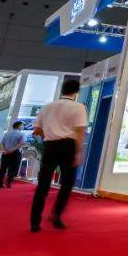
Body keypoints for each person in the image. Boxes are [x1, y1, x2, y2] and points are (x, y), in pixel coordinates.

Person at [29, 78, 87, 232]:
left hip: (50, 146)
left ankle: (34, 221)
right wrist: (78, 152)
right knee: (67, 183)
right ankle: (56, 214)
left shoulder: (47, 107)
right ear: (76, 92)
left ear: (62, 90)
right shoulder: (79, 107)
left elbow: (37, 130)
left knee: (43, 184)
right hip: (68, 146)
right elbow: (80, 131)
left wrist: (48, 137)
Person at [0, 121, 25, 188]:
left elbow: (2, 143)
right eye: (22, 125)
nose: (23, 127)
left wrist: (3, 150)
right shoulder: (21, 134)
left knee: (3, 168)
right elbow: (21, 143)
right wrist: (12, 150)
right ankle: (8, 183)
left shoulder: (7, 133)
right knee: (13, 168)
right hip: (15, 153)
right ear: (19, 126)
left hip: (6, 152)